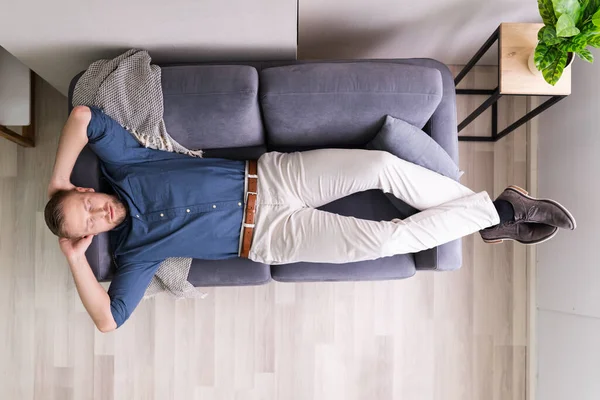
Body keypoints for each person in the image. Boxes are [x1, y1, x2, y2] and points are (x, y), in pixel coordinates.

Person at [45, 106, 576, 332]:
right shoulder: (137, 253)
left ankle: (495, 214)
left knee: (383, 167)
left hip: (274, 178)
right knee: (387, 242)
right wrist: (73, 258)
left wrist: (56, 183)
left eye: (85, 203)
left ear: (87, 189)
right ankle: (501, 212)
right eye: (87, 225)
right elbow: (107, 321)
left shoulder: (127, 163)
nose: (96, 212)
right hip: (272, 237)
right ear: (91, 236)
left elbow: (82, 117)